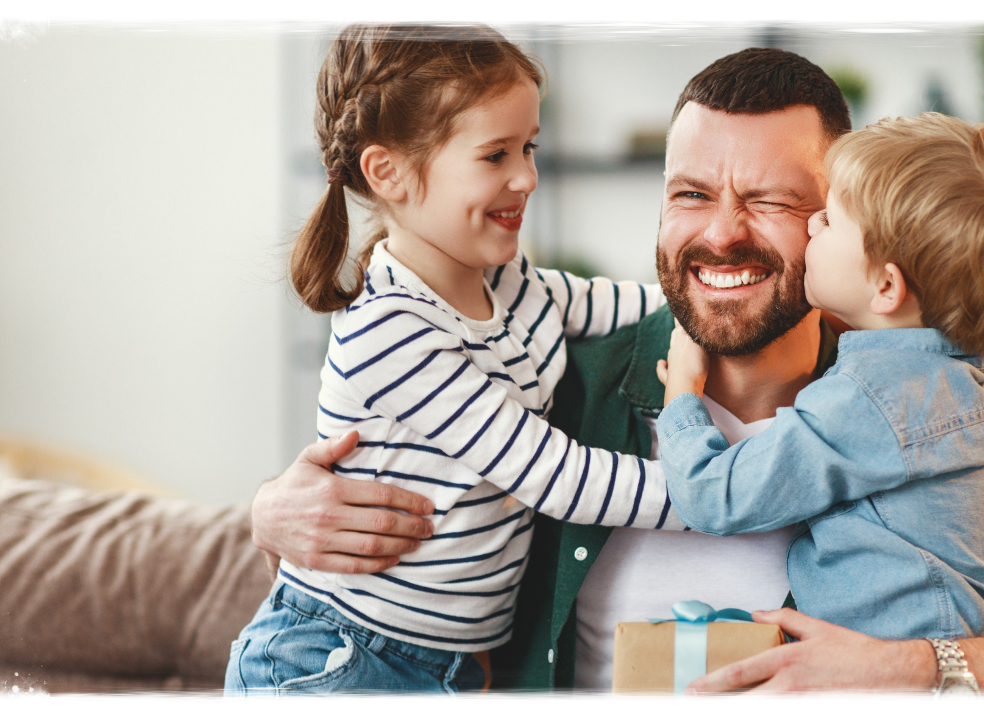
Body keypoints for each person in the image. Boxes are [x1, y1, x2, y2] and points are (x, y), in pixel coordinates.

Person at [250, 47, 984, 692]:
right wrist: (267, 515)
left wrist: (921, 665)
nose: (721, 232)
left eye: (774, 200)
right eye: (690, 194)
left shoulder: (922, 424)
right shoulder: (563, 381)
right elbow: (367, 581)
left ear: (851, 236)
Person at [226, 23, 686, 695]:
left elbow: (640, 306)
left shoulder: (508, 281)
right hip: (343, 658)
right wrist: (717, 490)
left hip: (447, 664)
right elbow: (552, 473)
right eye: (495, 155)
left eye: (528, 147)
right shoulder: (391, 330)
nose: (526, 176)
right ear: (389, 172)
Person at [656, 111, 984, 647]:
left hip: (887, 666)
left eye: (828, 219)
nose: (812, 226)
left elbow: (715, 496)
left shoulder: (872, 400)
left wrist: (683, 393)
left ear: (885, 286)